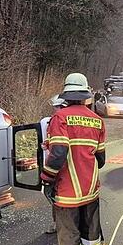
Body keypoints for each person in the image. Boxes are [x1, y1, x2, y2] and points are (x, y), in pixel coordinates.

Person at [40, 73, 106, 245]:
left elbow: (58, 154)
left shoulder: (60, 118)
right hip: (91, 191)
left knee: (69, 240)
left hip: (67, 193)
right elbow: (101, 159)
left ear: (66, 94)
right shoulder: (97, 120)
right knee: (90, 236)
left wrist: (47, 179)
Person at [42, 95, 67, 235]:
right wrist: (46, 144)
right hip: (66, 166)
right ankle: (59, 222)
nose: (54, 110)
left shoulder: (58, 120)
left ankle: (59, 223)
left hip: (58, 166)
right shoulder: (64, 120)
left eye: (55, 107)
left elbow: (59, 150)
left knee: (51, 193)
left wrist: (47, 174)